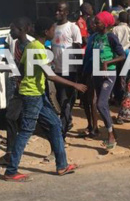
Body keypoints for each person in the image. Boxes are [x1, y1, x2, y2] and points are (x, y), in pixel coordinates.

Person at [5, 17, 86, 182]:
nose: (54, 32)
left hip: (37, 93)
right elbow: (50, 76)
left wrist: (22, 81)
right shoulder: (38, 49)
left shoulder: (31, 45)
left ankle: (62, 165)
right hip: (33, 94)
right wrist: (75, 85)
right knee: (26, 131)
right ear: (46, 32)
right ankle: (11, 170)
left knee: (55, 124)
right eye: (52, 29)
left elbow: (20, 66)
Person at [84, 11, 125, 150]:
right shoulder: (95, 37)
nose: (95, 24)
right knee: (100, 104)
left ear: (106, 23)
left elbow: (122, 55)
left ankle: (110, 136)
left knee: (101, 104)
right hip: (96, 74)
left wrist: (108, 62)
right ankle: (112, 130)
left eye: (98, 22)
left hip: (108, 73)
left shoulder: (111, 37)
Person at [3, 17, 34, 164]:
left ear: (21, 30)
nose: (10, 32)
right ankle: (9, 152)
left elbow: (25, 69)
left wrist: (4, 68)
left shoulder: (29, 46)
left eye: (12, 29)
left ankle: (55, 147)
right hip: (18, 86)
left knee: (42, 119)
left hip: (29, 88)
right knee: (10, 116)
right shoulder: (15, 43)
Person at [51, 2, 83, 139]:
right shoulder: (53, 27)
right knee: (60, 97)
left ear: (66, 12)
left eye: (60, 11)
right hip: (57, 68)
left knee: (65, 99)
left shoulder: (73, 28)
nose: (57, 13)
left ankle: (62, 131)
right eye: (56, 10)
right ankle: (67, 121)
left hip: (69, 69)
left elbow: (77, 48)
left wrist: (78, 69)